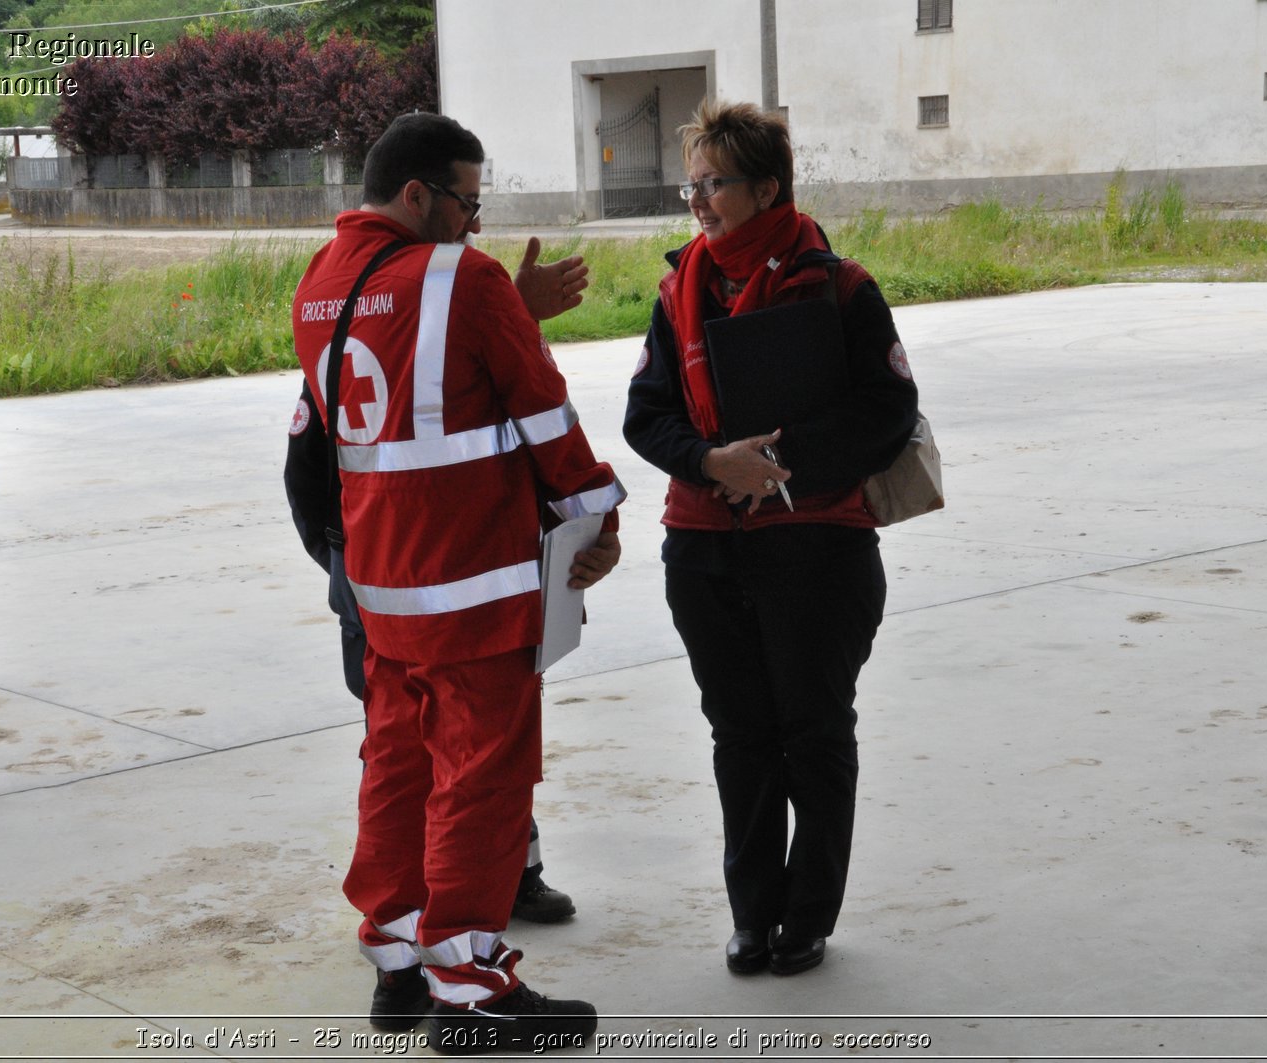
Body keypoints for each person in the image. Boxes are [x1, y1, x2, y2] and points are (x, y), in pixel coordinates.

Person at [287, 112, 624, 1053]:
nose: (476, 224)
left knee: (396, 768)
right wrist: (598, 516)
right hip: (473, 581)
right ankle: (472, 989)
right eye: (468, 203)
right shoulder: (465, 281)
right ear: (415, 196)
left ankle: (397, 961)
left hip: (381, 586)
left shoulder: (319, 285)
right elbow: (543, 410)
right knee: (482, 777)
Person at [623, 99, 918, 977]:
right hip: (706, 546)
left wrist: (781, 465)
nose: (700, 202)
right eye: (695, 183)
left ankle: (808, 914)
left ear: (768, 188)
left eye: (717, 184)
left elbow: (888, 412)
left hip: (817, 549)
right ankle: (752, 913)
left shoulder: (840, 286)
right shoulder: (678, 290)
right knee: (739, 735)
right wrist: (715, 462)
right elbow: (646, 416)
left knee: (815, 731)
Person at [286, 232, 588, 928]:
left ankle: (494, 884)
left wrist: (514, 314)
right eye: (465, 205)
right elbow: (310, 471)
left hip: (400, 580)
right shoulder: (356, 330)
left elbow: (466, 403)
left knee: (438, 755)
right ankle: (453, 941)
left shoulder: (400, 309)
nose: (468, 229)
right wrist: (347, 565)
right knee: (441, 756)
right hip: (398, 586)